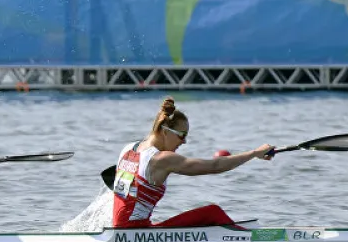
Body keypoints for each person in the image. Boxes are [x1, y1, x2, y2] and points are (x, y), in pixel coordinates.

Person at [111, 97, 274, 228]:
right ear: (165, 131)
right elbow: (214, 166)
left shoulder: (128, 149)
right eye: (182, 135)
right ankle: (248, 237)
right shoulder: (161, 159)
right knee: (212, 212)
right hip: (136, 231)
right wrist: (254, 153)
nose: (184, 142)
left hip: (121, 228)